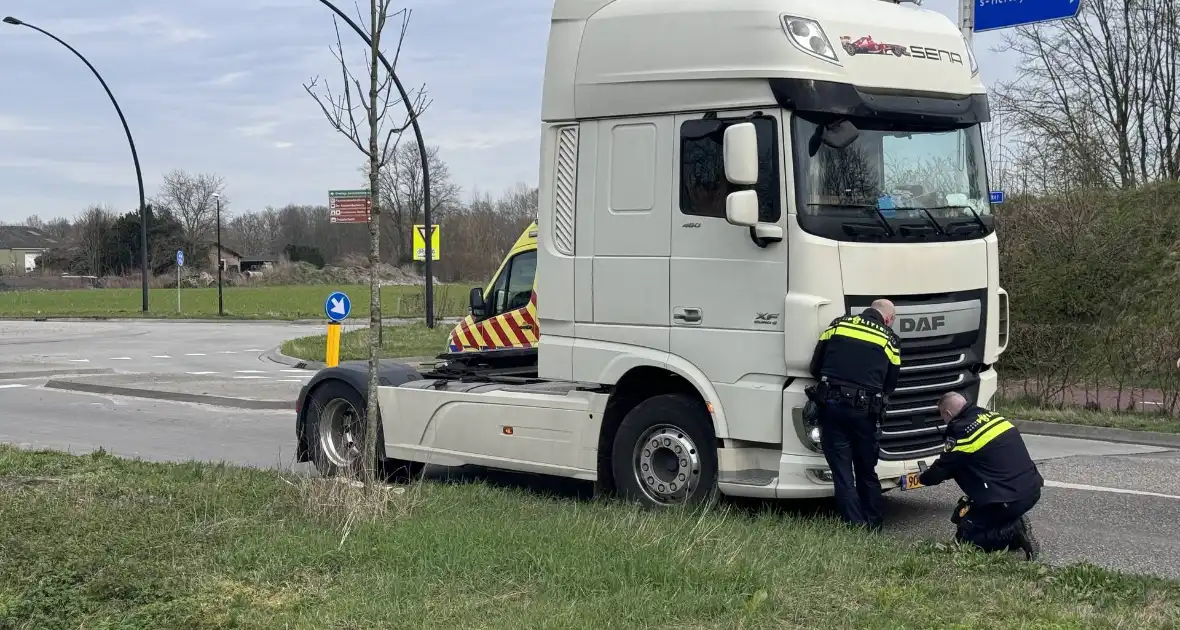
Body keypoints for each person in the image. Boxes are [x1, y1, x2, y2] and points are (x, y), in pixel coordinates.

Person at [903, 392, 1043, 560]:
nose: (944, 421)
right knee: (972, 514)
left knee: (967, 536)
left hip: (1009, 499)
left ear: (947, 414)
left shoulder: (960, 430)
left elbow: (943, 468)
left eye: (942, 416)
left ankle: (1014, 531)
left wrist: (921, 478)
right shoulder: (989, 415)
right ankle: (1009, 523)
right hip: (1032, 488)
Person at [807, 299, 901, 532]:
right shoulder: (889, 339)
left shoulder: (837, 325)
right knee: (866, 470)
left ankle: (855, 526)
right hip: (864, 412)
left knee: (842, 472)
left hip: (831, 406)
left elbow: (815, 367)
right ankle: (874, 523)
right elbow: (890, 384)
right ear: (888, 319)